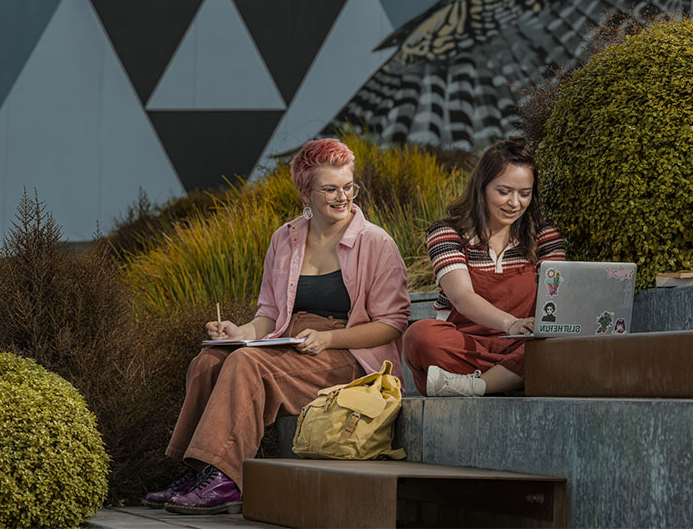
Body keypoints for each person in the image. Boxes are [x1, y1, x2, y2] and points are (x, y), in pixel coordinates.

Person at [144, 138, 411, 515]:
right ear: (306, 191)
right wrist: (240, 333)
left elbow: (392, 324)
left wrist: (328, 338)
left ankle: (226, 479)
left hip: (349, 352)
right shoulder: (285, 238)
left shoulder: (376, 242)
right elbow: (269, 314)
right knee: (210, 359)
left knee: (247, 366)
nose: (343, 197)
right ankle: (199, 471)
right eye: (330, 188)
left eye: (348, 186)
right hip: (292, 342)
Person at [402, 137, 565, 397]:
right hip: (468, 347)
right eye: (504, 191)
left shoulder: (543, 235)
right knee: (420, 336)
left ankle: (475, 386)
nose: (515, 203)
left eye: (524, 193)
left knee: (558, 342)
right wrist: (509, 323)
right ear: (482, 188)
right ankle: (510, 378)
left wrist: (524, 334)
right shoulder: (447, 232)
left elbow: (558, 298)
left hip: (522, 346)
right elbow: (462, 297)